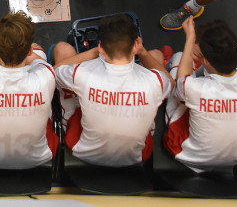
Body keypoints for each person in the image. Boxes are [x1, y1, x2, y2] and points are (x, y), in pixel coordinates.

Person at [52, 15, 172, 167]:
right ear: (137, 44)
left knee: (62, 50)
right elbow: (172, 83)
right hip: (134, 156)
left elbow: (53, 73)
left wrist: (92, 53)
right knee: (157, 55)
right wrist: (143, 53)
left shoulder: (82, 74)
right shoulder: (156, 81)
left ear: (101, 47)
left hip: (83, 150)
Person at [164, 17, 237, 171]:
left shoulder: (194, 89)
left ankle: (167, 61)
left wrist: (190, 39)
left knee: (179, 59)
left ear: (206, 60)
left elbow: (182, 81)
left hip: (187, 155)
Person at [0, 12, 58, 169]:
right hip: (41, 155)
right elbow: (37, 52)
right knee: (41, 52)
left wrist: (1, 49)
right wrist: (13, 49)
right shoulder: (47, 74)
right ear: (28, 51)